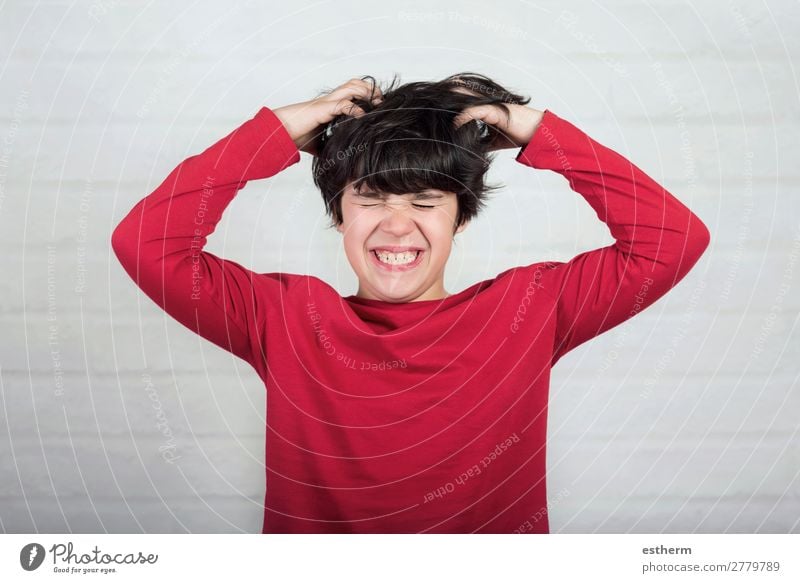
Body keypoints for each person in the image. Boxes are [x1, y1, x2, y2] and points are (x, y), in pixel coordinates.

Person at [111, 72, 710, 533]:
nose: (398, 227)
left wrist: (541, 132)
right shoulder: (281, 315)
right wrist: (272, 130)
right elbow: (144, 245)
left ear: (460, 222)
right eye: (371, 199)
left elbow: (673, 239)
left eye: (425, 203)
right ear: (339, 216)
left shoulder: (529, 309)